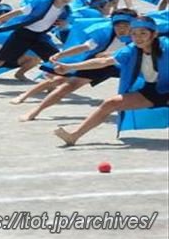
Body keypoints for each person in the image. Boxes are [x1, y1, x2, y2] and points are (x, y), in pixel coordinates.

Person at [53, 16, 168, 145]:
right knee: (110, 103)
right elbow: (104, 61)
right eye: (134, 33)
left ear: (154, 34)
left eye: (143, 33)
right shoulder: (132, 50)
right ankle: (74, 136)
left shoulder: (166, 47)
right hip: (152, 90)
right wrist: (70, 67)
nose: (138, 37)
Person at [0, 0, 78, 95]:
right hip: (23, 34)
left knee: (56, 60)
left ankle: (50, 88)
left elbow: (64, 25)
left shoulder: (65, 10)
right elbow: (17, 12)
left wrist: (63, 24)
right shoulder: (42, 2)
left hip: (40, 37)